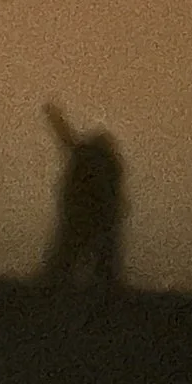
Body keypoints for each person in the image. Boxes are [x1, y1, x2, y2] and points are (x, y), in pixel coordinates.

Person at [40, 102, 126, 289]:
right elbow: (67, 138)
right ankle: (104, 286)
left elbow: (67, 138)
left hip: (85, 213)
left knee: (72, 252)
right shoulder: (107, 163)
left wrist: (55, 117)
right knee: (96, 254)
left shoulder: (90, 157)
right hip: (94, 214)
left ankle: (55, 284)